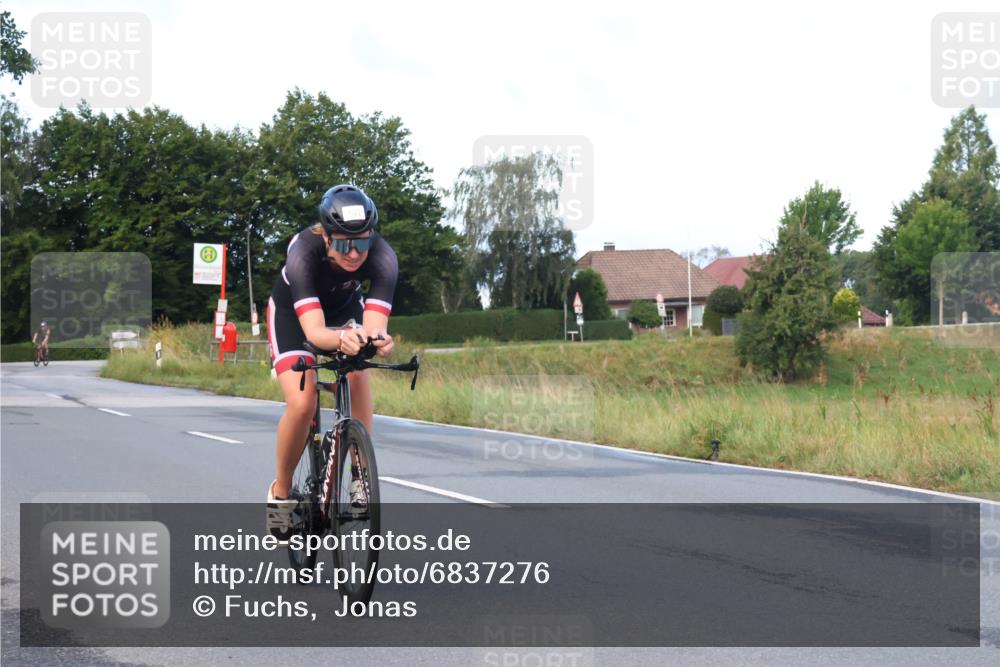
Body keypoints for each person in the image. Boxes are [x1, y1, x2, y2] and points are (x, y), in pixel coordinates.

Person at [265, 184, 396, 535]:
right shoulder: (302, 252)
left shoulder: (384, 257)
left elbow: (374, 324)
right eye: (343, 243)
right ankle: (281, 493)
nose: (355, 253)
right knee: (303, 401)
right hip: (294, 317)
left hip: (342, 311)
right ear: (325, 237)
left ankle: (359, 477)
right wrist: (342, 338)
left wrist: (377, 340)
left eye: (363, 242)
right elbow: (315, 331)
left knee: (359, 370)